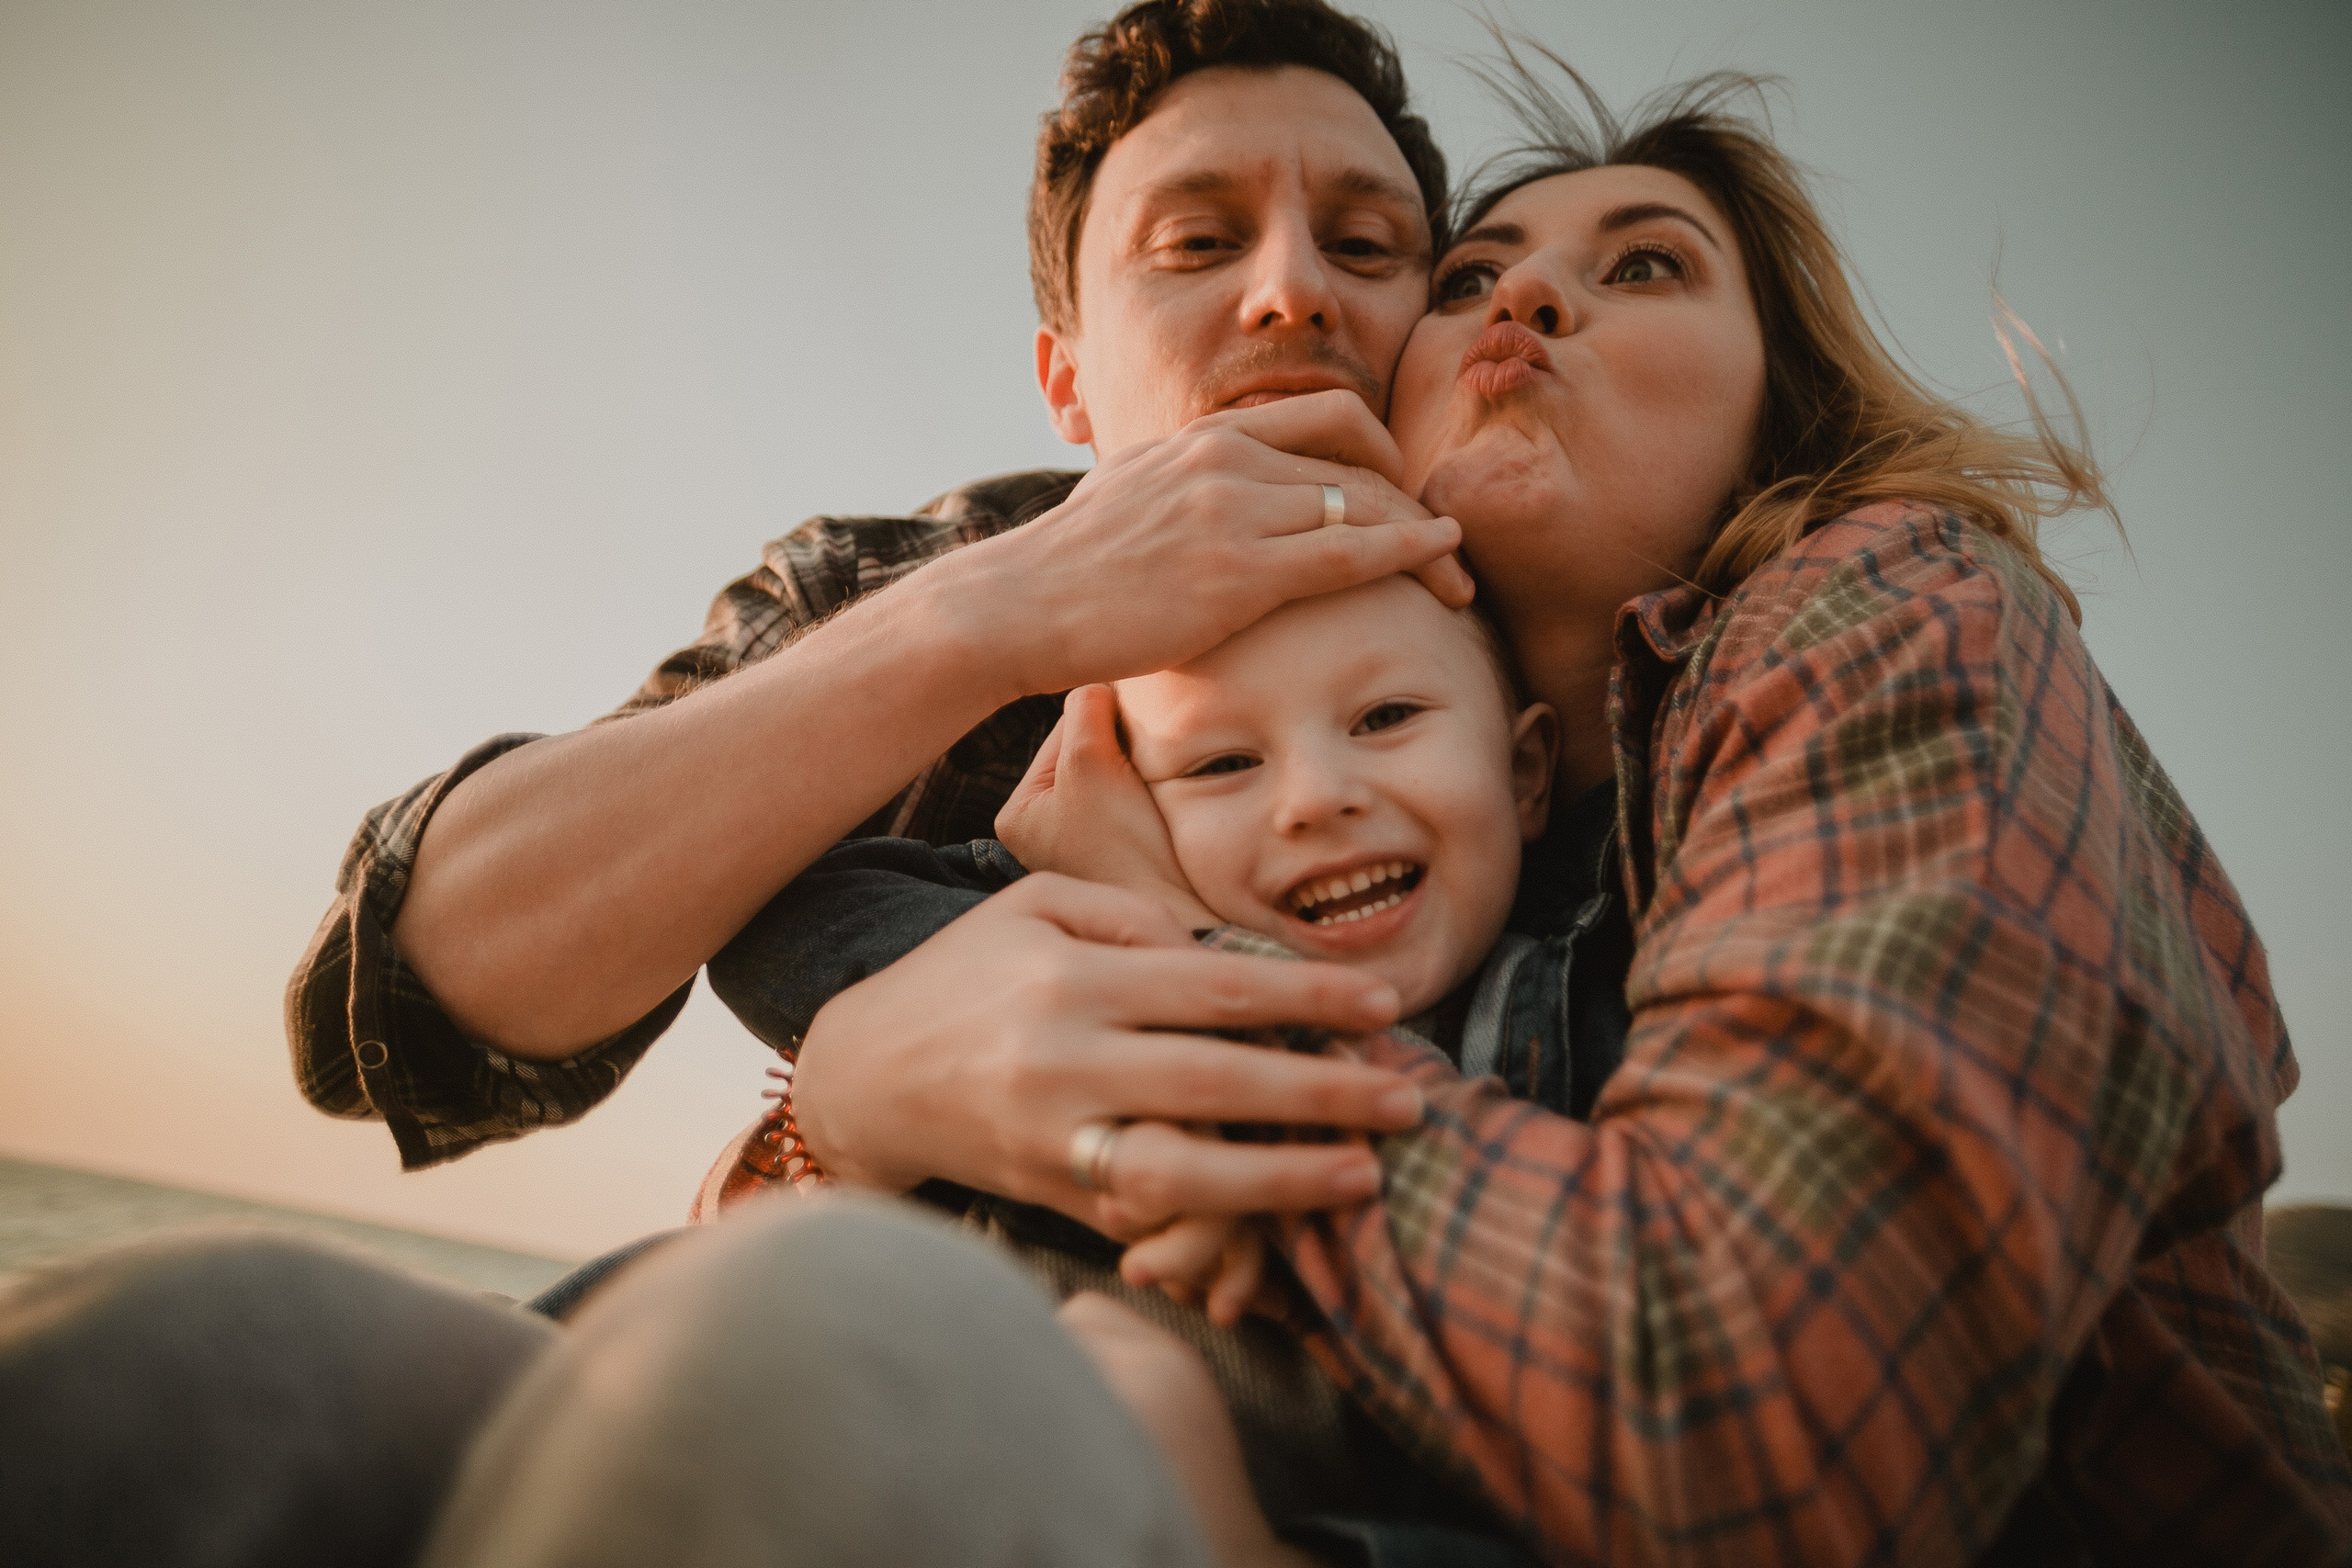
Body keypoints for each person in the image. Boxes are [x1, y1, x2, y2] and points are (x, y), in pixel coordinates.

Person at [723, 51, 2352, 1568]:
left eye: (1645, 264)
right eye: (1469, 279)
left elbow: (1763, 1419)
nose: (1530, 296)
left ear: (1778, 399)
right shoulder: (1442, 804)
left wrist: (1174, 981)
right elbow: (847, 982)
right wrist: (851, 1108)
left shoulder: (1897, 614)